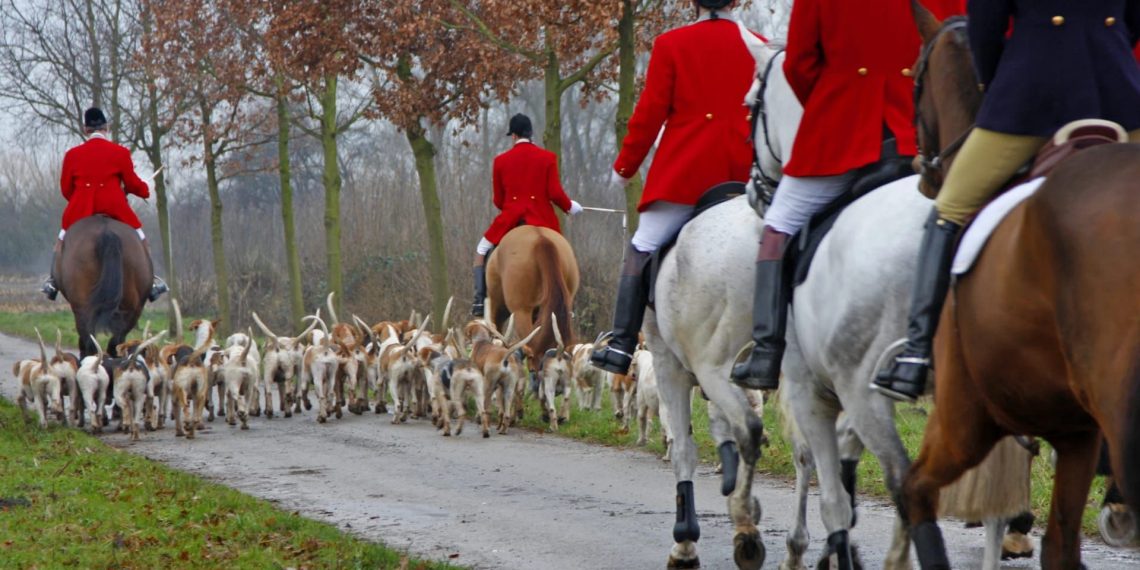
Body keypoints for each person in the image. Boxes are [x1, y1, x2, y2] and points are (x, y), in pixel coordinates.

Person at [872, 0, 1140, 402]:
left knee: (950, 208)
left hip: (1032, 96)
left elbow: (985, 30)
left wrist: (1001, 82)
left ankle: (916, 353)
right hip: (1117, 96)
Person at [731, 0, 940, 390]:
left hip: (845, 130)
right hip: (923, 131)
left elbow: (798, 66)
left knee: (779, 223)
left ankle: (766, 352)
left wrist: (834, 102)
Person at [590, 0, 762, 374]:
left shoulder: (672, 44)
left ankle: (621, 344)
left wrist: (625, 167)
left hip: (688, 175)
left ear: (693, 3)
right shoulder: (760, 45)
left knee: (643, 245)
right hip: (746, 177)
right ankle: (773, 341)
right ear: (734, 2)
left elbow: (650, 113)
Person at [42, 107, 168, 302]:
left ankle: (52, 282)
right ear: (106, 127)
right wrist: (144, 189)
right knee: (142, 240)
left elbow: (66, 189)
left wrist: (80, 198)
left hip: (80, 210)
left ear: (85, 129)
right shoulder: (120, 152)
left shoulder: (72, 155)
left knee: (60, 242)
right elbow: (134, 184)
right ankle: (151, 283)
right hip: (115, 209)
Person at [472, 113, 581, 317]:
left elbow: (498, 201)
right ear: (531, 134)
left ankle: (479, 301)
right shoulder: (548, 158)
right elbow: (555, 193)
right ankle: (567, 305)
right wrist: (571, 207)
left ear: (513, 136)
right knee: (560, 251)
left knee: (481, 249)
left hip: (510, 219)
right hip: (542, 218)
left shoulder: (500, 161)